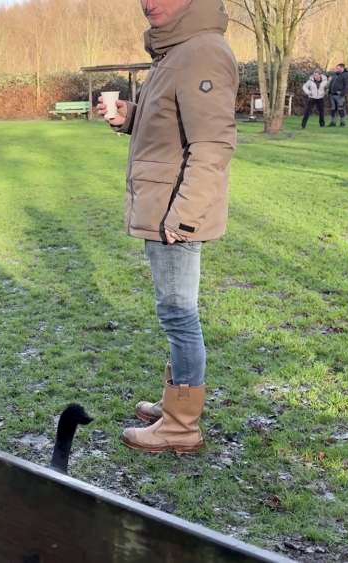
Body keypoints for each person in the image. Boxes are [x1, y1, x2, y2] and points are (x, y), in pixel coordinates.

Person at [97, 0, 237, 453]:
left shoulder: (201, 50)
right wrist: (128, 116)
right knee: (174, 312)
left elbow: (212, 143)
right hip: (165, 204)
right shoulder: (175, 51)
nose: (150, 3)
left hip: (174, 211)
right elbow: (171, 123)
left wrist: (184, 216)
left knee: (179, 314)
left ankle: (181, 424)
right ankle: (175, 404)